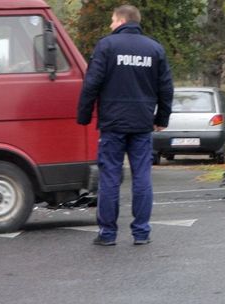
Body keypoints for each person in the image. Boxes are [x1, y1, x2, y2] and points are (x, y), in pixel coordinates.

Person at [77, 5, 173, 246]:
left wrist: (84, 115)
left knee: (110, 177)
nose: (110, 25)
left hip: (113, 123)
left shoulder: (107, 46)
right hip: (142, 124)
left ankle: (107, 234)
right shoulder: (154, 49)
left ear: (121, 20)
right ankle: (141, 233)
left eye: (112, 21)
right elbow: (166, 87)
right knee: (142, 176)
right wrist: (161, 119)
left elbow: (92, 83)